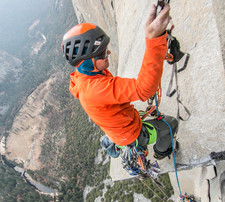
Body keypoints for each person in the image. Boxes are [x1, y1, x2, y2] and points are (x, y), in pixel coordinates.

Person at [61, 4, 178, 160]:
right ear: (88, 61)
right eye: (102, 53)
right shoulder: (95, 89)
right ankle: (162, 152)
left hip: (118, 130)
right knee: (171, 125)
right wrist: (154, 39)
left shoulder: (83, 75)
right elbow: (144, 89)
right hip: (132, 135)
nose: (108, 52)